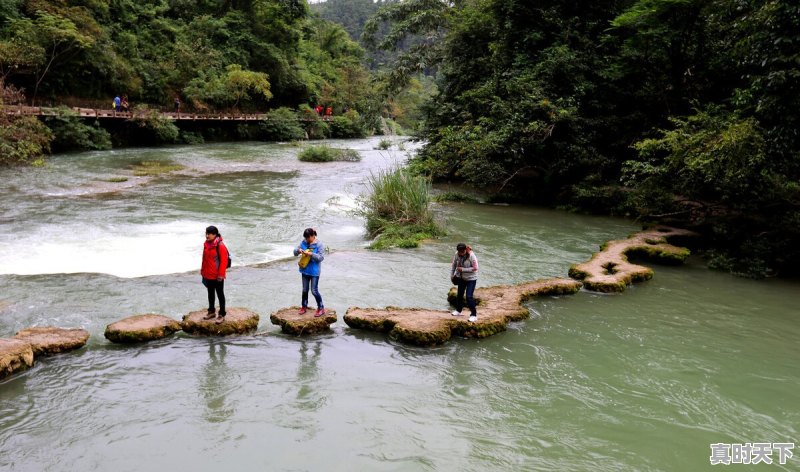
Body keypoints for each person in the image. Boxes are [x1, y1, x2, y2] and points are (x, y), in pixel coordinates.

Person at [293, 228, 326, 317]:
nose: (307, 240)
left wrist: (311, 254)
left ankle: (321, 308)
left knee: (314, 291)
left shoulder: (319, 245)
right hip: (304, 270)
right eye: (305, 238)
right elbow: (295, 252)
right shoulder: (303, 242)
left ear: (312, 236)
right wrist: (298, 250)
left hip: (314, 271)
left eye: (308, 238)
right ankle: (304, 307)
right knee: (304, 290)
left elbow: (321, 258)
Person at [201, 225, 229, 324]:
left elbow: (224, 262)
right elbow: (205, 260)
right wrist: (203, 272)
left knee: (220, 294)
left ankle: (222, 314)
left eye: (209, 234)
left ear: (215, 234)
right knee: (210, 293)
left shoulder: (220, 246)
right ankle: (211, 311)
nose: (207, 235)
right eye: (206, 233)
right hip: (208, 274)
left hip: (217, 276)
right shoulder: (207, 244)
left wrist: (221, 275)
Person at [450, 243, 479, 322]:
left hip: (471, 279)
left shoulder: (472, 256)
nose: (461, 254)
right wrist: (452, 275)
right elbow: (454, 265)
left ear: (466, 250)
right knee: (459, 295)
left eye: (463, 252)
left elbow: (476, 268)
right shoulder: (457, 254)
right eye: (460, 252)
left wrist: (463, 269)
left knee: (469, 297)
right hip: (462, 278)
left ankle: (474, 315)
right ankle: (458, 311)